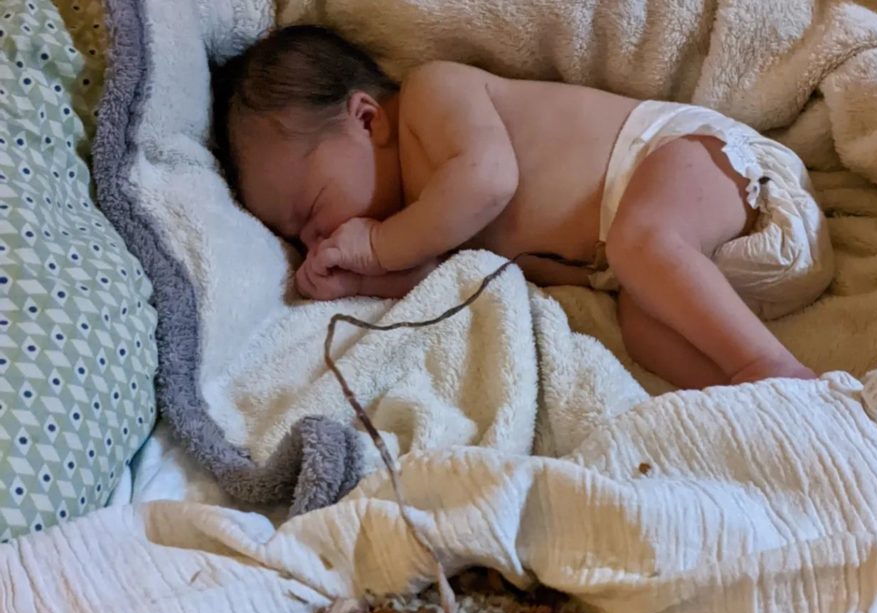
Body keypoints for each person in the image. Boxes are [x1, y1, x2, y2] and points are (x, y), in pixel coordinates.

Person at [214, 25, 834, 389]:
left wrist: (375, 248)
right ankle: (768, 398)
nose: (315, 236)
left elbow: (490, 180)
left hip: (702, 163)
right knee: (643, 331)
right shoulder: (425, 225)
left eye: (311, 209)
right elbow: (448, 277)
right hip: (692, 271)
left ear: (367, 119)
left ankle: (769, 367)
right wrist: (359, 281)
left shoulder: (431, 97)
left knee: (642, 240)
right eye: (295, 236)